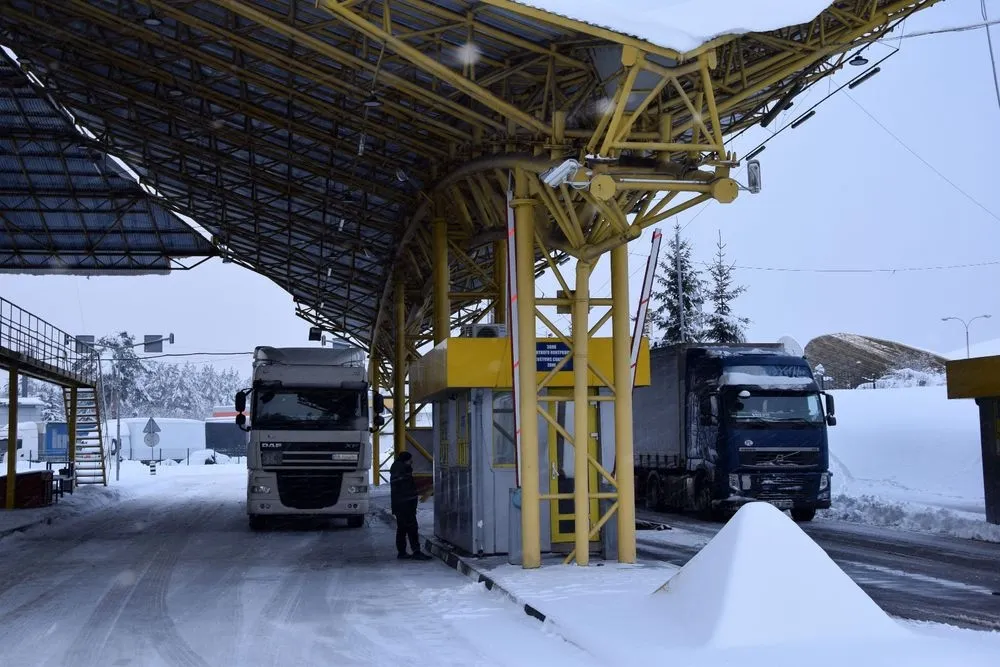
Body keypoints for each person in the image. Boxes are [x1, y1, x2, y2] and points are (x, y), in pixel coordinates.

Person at [389, 451, 430, 560]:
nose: (412, 462)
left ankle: (402, 552)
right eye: (410, 460)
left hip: (399, 506)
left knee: (401, 529)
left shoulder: (397, 469)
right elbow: (408, 489)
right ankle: (416, 551)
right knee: (412, 528)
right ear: (406, 460)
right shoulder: (404, 471)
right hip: (406, 506)